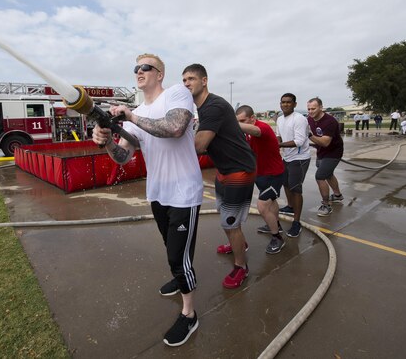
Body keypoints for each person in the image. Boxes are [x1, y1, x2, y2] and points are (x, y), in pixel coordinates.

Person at [92, 53, 203, 347]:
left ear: (159, 74)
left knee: (178, 258)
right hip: (157, 192)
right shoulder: (138, 111)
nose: (139, 72)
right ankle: (180, 278)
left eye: (145, 67)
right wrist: (107, 142)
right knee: (171, 248)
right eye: (136, 68)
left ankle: (189, 314)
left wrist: (129, 116)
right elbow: (124, 157)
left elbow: (175, 128)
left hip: (184, 192)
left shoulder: (177, 94)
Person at [181, 64, 256, 287]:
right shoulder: (202, 108)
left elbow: (200, 145)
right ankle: (239, 244)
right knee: (224, 215)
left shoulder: (213, 106)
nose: (187, 83)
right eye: (184, 80)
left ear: (204, 81)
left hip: (239, 170)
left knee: (231, 222)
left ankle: (241, 267)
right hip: (225, 170)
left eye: (191, 79)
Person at [235, 105, 286, 254]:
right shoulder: (247, 131)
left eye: (243, 120)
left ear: (252, 118)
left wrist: (233, 124)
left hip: (274, 175)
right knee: (272, 203)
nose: (242, 124)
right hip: (261, 174)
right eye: (239, 121)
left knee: (263, 206)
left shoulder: (261, 127)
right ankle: (276, 224)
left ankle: (277, 237)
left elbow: (256, 132)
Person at [276, 93, 311, 237]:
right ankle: (290, 207)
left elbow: (299, 141)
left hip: (300, 158)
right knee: (286, 183)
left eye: (288, 102)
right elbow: (279, 134)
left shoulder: (299, 119)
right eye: (283, 102)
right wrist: (277, 142)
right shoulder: (279, 119)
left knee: (296, 188)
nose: (285, 104)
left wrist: (278, 144)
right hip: (287, 157)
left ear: (295, 104)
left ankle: (296, 222)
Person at [306, 97, 344, 216]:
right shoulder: (309, 119)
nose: (311, 111)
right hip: (321, 151)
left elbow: (325, 142)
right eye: (309, 109)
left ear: (321, 107)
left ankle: (326, 205)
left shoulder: (330, 121)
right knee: (328, 174)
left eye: (313, 108)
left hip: (333, 152)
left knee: (320, 176)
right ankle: (337, 195)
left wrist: (309, 136)